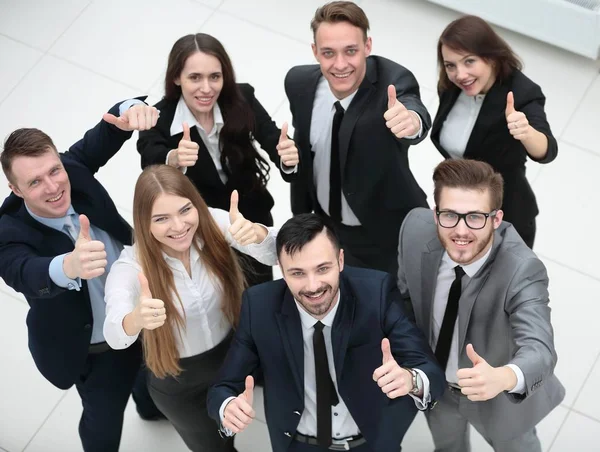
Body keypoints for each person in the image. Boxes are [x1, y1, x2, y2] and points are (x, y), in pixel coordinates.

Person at [0, 100, 162, 452]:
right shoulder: (8, 232)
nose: (54, 187)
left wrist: (132, 108)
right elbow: (23, 271)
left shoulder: (72, 167)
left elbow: (110, 126)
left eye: (54, 171)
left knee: (152, 380)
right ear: (16, 190)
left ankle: (150, 409)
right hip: (97, 349)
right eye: (35, 182)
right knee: (103, 426)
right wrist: (67, 267)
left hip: (143, 314)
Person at [207, 213, 445, 452]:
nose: (312, 286)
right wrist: (227, 407)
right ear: (281, 269)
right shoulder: (258, 306)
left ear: (340, 260)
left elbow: (430, 371)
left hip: (372, 442)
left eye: (322, 269)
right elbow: (223, 387)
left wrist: (410, 380)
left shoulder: (377, 292)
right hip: (297, 444)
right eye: (297, 273)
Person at [103, 164, 278, 452]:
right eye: (161, 218)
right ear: (144, 222)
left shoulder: (211, 223)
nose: (179, 226)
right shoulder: (130, 267)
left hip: (233, 354)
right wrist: (134, 320)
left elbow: (274, 254)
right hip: (180, 381)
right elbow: (114, 330)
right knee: (214, 446)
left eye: (185, 210)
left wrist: (257, 233)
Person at [396, 159, 565, 452]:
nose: (461, 231)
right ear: (435, 214)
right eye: (450, 215)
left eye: (475, 217)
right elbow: (405, 299)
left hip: (499, 397)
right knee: (448, 447)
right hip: (438, 387)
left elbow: (540, 348)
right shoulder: (413, 229)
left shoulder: (522, 270)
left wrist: (505, 377)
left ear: (496, 219)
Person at [137, 33, 298, 287]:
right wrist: (175, 158)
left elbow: (272, 137)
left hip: (250, 214)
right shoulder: (158, 118)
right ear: (176, 78)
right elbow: (150, 159)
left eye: (215, 77)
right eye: (195, 78)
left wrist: (287, 157)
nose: (206, 88)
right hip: (199, 228)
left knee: (261, 287)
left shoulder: (242, 97)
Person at [284, 1, 431, 275]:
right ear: (315, 51)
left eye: (350, 51)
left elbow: (411, 106)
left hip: (382, 233)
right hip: (324, 226)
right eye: (328, 53)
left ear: (367, 46)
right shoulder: (298, 82)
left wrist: (412, 122)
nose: (340, 65)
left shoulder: (393, 80)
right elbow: (307, 150)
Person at [431, 15, 558, 248]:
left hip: (505, 213)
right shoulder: (450, 86)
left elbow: (547, 149)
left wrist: (526, 132)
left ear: (490, 57)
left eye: (469, 61)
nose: (460, 74)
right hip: (458, 206)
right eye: (451, 65)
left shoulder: (522, 92)